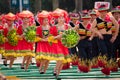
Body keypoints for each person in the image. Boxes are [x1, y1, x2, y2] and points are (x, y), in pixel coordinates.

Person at [92, 2, 119, 75]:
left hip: (109, 37)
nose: (103, 13)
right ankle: (101, 62)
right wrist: (98, 33)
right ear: (99, 12)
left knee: (109, 54)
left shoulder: (110, 18)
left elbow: (117, 26)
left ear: (106, 12)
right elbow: (92, 28)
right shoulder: (97, 20)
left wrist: (114, 36)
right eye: (101, 12)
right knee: (104, 51)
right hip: (101, 37)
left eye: (104, 11)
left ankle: (106, 69)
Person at [51, 8, 71, 76]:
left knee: (62, 61)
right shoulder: (54, 27)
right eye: (59, 18)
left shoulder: (67, 26)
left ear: (64, 18)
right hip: (57, 45)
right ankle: (55, 69)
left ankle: (57, 74)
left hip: (64, 45)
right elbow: (51, 37)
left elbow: (71, 34)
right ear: (57, 19)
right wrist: (58, 37)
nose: (61, 19)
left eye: (62, 18)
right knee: (60, 58)